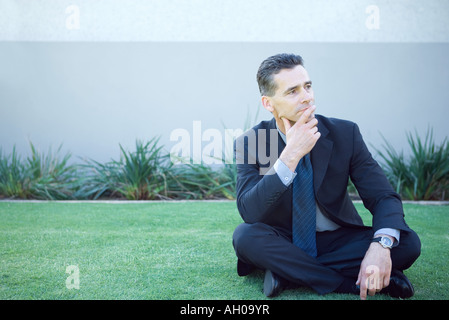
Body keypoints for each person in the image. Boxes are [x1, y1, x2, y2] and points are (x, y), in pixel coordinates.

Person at [232, 53, 421, 300]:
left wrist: (380, 246)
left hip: (337, 240)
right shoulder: (251, 143)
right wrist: (290, 156)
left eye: (307, 86)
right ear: (269, 104)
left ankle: (286, 272)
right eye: (292, 92)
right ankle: (346, 284)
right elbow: (250, 212)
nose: (307, 97)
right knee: (245, 237)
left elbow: (383, 196)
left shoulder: (345, 133)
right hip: (283, 239)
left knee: (407, 242)